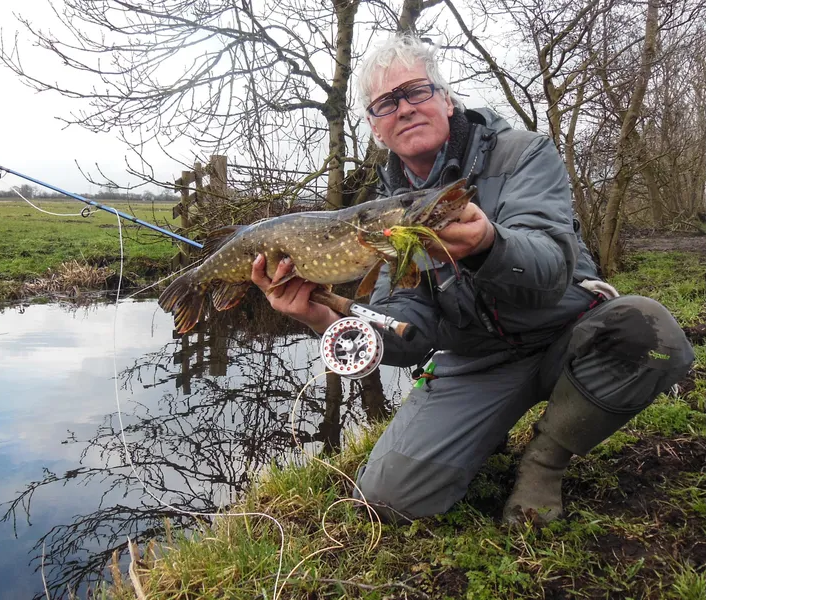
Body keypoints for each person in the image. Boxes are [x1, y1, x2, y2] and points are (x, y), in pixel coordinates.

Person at [250, 33, 695, 526]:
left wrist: (489, 245)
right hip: (476, 359)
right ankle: (485, 429)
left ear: (446, 98)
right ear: (376, 130)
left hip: (567, 333)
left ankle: (545, 461)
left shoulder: (524, 154)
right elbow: (404, 336)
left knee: (649, 333)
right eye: (385, 103)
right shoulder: (384, 216)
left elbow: (551, 268)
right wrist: (322, 315)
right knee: (389, 499)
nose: (404, 108)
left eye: (417, 91)